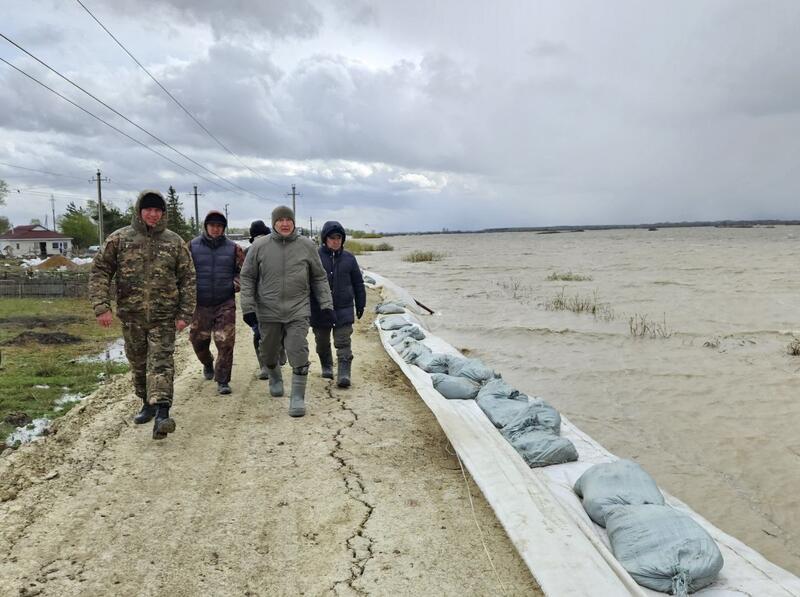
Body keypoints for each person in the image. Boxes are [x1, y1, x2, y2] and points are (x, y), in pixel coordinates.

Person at [89, 190, 196, 440]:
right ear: (139, 211)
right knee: (138, 364)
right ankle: (146, 402)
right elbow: (100, 271)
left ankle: (162, 413)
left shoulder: (174, 242)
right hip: (132, 316)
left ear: (163, 213)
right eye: (148, 210)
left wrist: (185, 313)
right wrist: (101, 306)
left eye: (158, 210)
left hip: (164, 317)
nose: (153, 214)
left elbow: (188, 278)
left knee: (161, 363)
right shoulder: (119, 239)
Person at [240, 205, 334, 417]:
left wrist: (326, 305)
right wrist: (248, 307)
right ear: (273, 223)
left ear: (293, 222)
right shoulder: (260, 246)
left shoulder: (307, 246)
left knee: (298, 348)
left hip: (298, 308)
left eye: (288, 220)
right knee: (269, 351)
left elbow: (319, 277)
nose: (284, 223)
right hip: (268, 309)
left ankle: (297, 397)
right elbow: (247, 277)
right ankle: (274, 376)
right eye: (280, 220)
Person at [188, 210, 245, 395]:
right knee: (198, 341)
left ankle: (223, 380)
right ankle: (207, 362)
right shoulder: (192, 246)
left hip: (224, 303)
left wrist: (234, 285)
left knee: (226, 342)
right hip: (201, 303)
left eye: (219, 226)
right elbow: (183, 272)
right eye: (212, 225)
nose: (215, 229)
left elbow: (243, 273)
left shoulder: (233, 248)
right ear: (206, 226)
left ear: (223, 228)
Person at [310, 221, 366, 388]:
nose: (335, 241)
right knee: (322, 341)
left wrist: (360, 303)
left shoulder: (349, 258)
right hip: (320, 310)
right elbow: (306, 283)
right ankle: (326, 365)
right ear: (325, 239)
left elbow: (358, 283)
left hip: (344, 308)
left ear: (342, 239)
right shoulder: (315, 257)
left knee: (343, 341)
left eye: (338, 237)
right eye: (332, 238)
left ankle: (343, 374)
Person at [244, 219, 271, 380]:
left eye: (263, 236)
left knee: (277, 332)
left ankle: (277, 354)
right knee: (259, 333)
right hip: (256, 301)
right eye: (257, 237)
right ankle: (264, 365)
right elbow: (245, 277)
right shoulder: (248, 253)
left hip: (274, 300)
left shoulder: (275, 250)